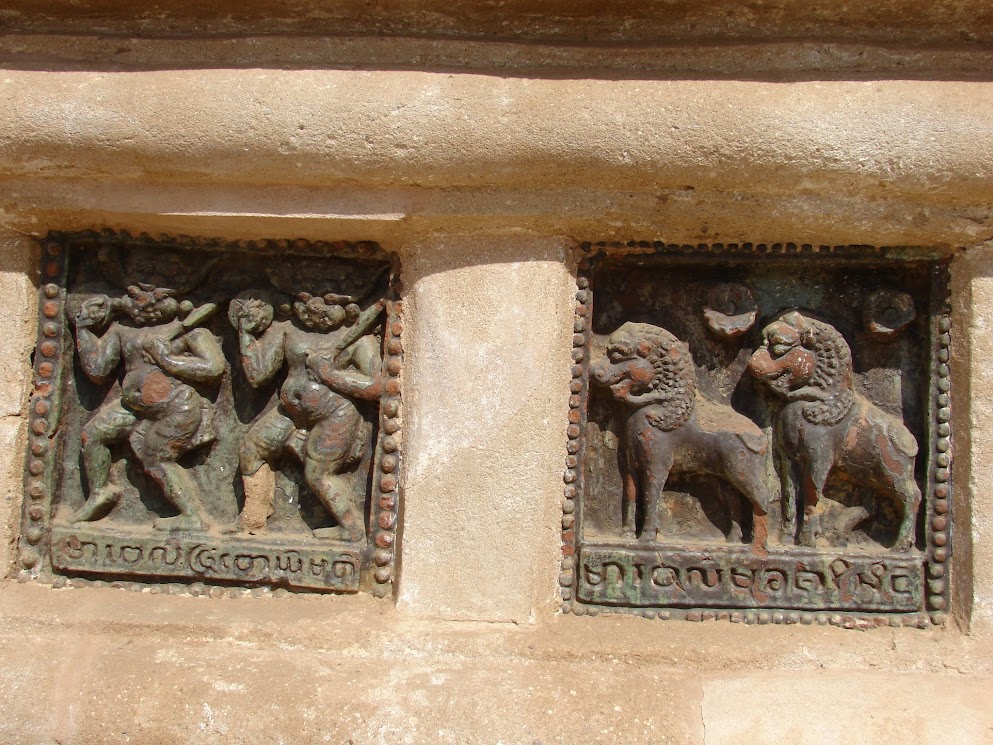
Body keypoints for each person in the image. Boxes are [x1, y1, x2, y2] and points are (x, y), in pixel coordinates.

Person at [230, 290, 383, 540]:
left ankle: (351, 529)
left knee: (318, 474)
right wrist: (245, 334)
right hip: (290, 413)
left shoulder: (358, 339)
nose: (316, 308)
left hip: (335, 414)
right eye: (308, 301)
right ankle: (254, 518)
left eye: (327, 303)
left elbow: (377, 386)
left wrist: (330, 375)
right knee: (251, 449)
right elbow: (258, 376)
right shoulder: (289, 331)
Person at [72, 284, 224, 530]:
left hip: (176, 407)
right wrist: (84, 329)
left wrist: (168, 359)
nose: (145, 305)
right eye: (136, 297)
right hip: (133, 408)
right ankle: (100, 492)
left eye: (155, 298)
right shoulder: (123, 330)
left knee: (157, 458)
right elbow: (98, 369)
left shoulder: (191, 331)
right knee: (93, 435)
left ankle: (191, 515)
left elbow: (214, 368)